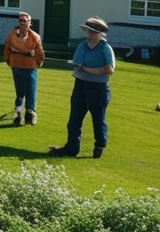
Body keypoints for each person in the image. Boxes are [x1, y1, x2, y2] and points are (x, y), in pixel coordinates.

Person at [49, 17, 116, 159]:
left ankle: (99, 146)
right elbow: (77, 64)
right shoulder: (82, 46)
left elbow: (109, 70)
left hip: (98, 88)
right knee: (74, 120)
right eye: (87, 31)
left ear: (99, 34)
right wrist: (86, 69)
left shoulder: (105, 48)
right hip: (80, 85)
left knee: (98, 120)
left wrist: (88, 70)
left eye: (91, 32)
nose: (88, 34)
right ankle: (72, 148)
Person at [4, 11, 45, 126]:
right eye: (20, 20)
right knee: (23, 92)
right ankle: (22, 113)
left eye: (24, 21)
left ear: (29, 23)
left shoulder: (34, 37)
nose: (22, 23)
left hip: (26, 66)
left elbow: (40, 54)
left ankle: (25, 114)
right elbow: (7, 49)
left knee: (26, 91)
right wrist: (10, 61)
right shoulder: (13, 34)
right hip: (19, 66)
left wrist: (36, 61)